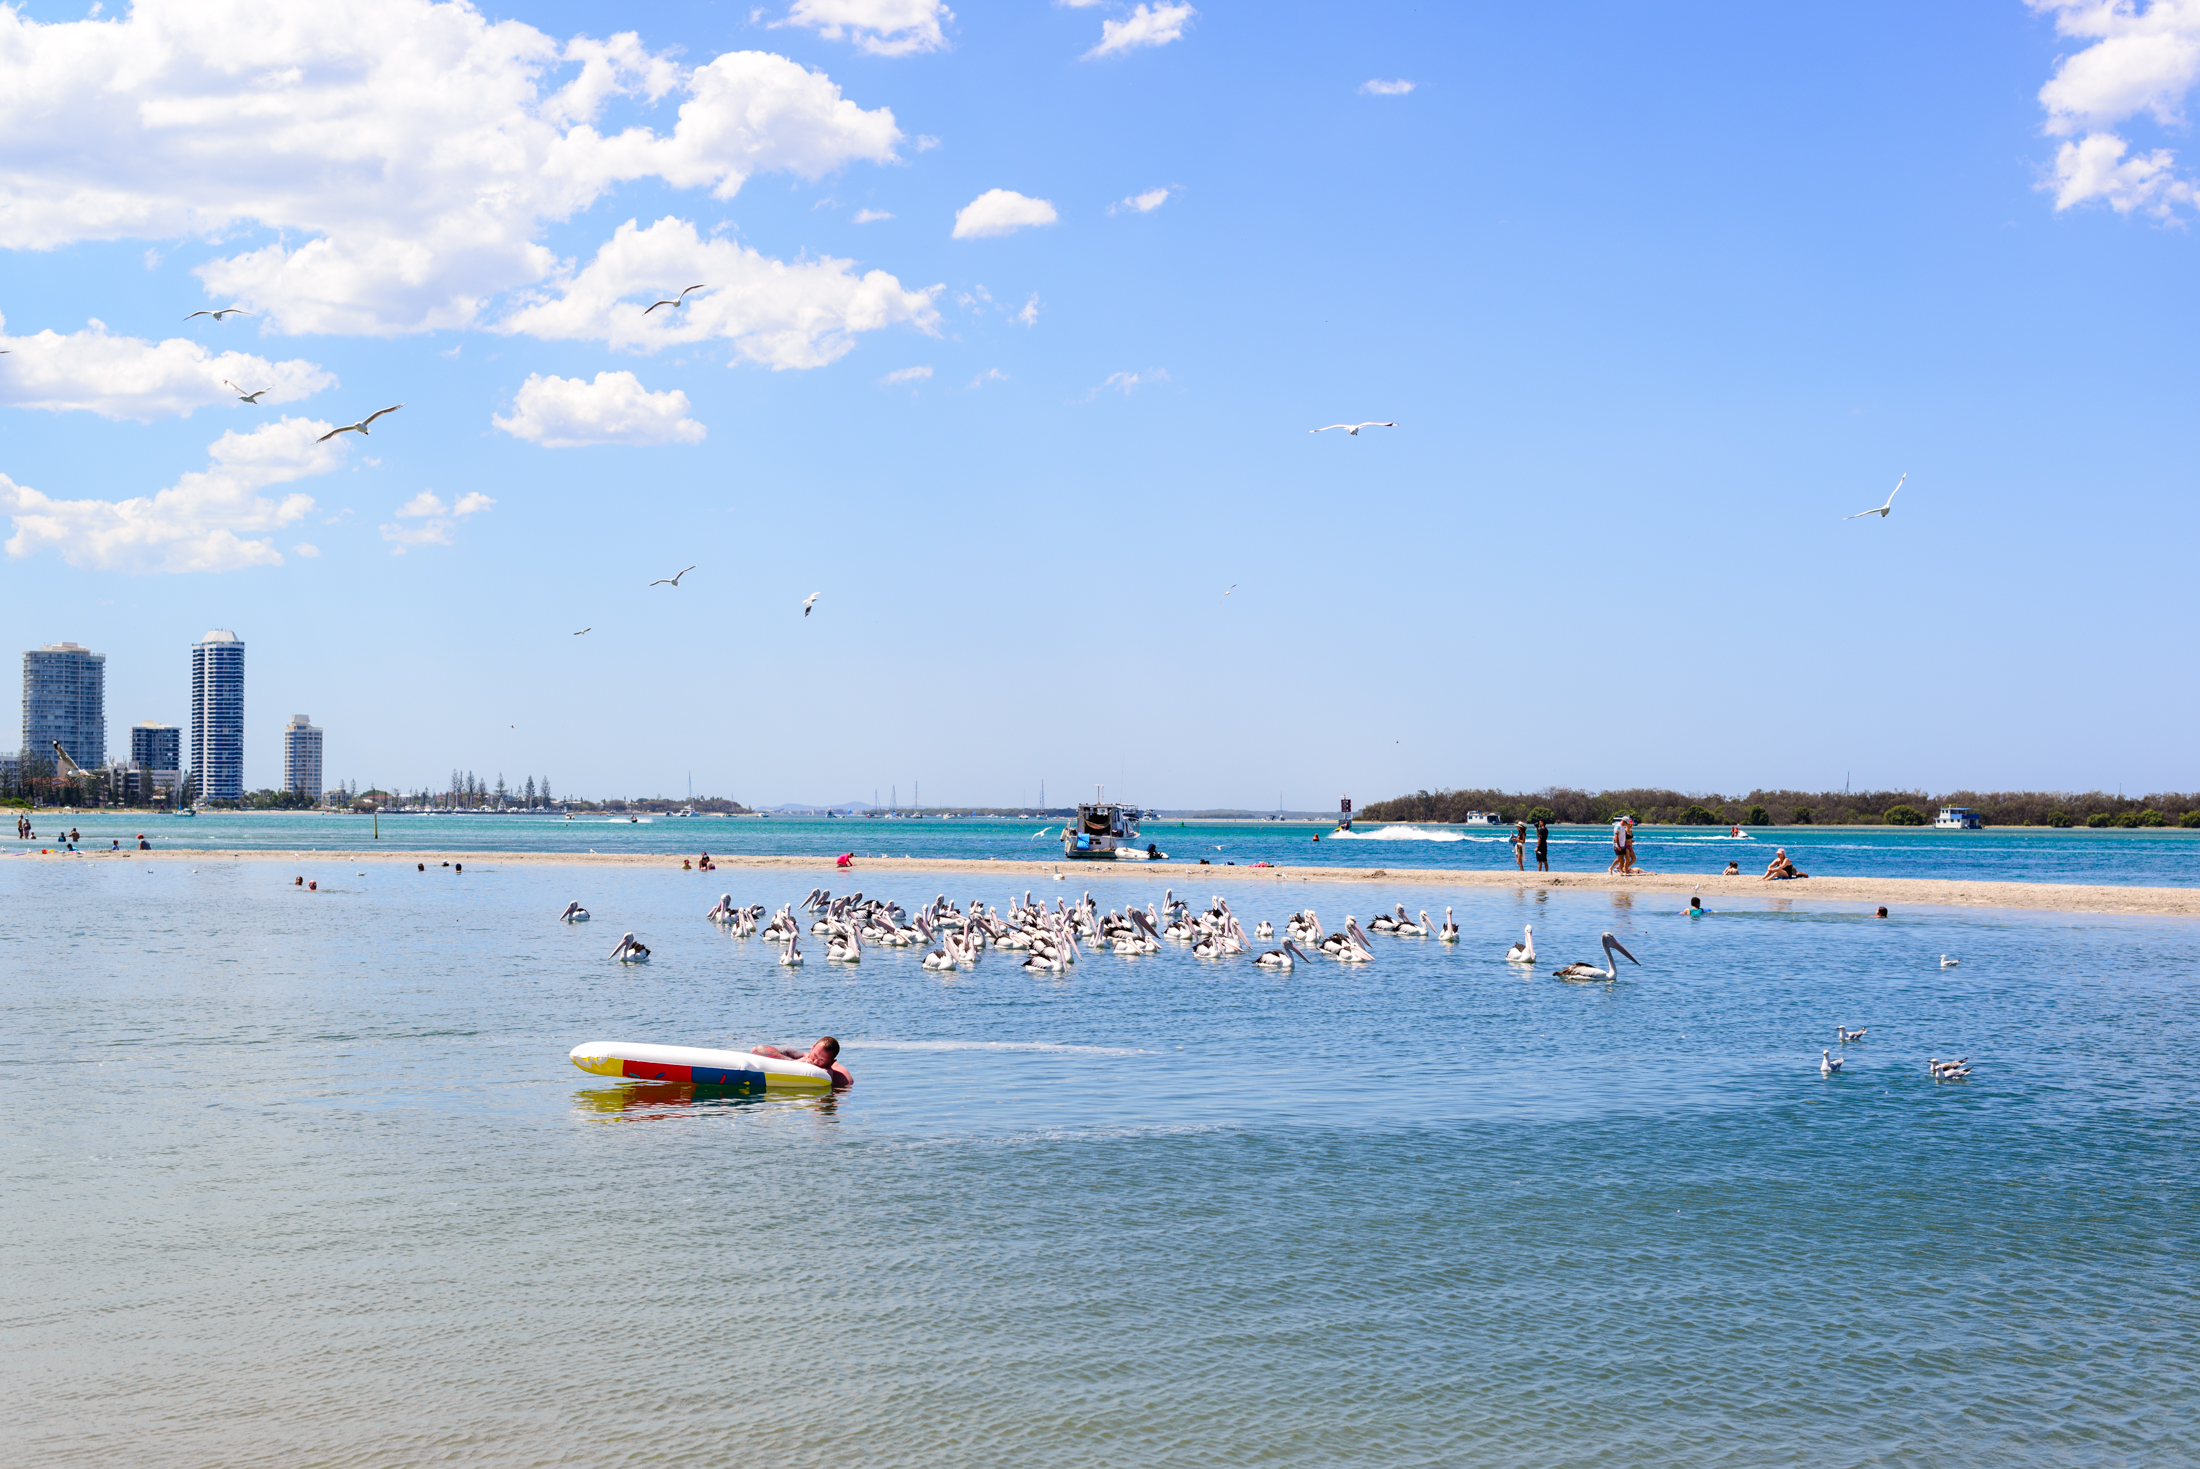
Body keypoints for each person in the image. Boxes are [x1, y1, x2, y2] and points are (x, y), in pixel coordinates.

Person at [752, 1036, 853, 1089]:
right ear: (812, 1048)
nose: (815, 1061)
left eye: (822, 1060)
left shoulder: (837, 1073)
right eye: (815, 1055)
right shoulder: (803, 1056)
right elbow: (756, 1050)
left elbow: (845, 1090)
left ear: (832, 1061)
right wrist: (795, 1062)